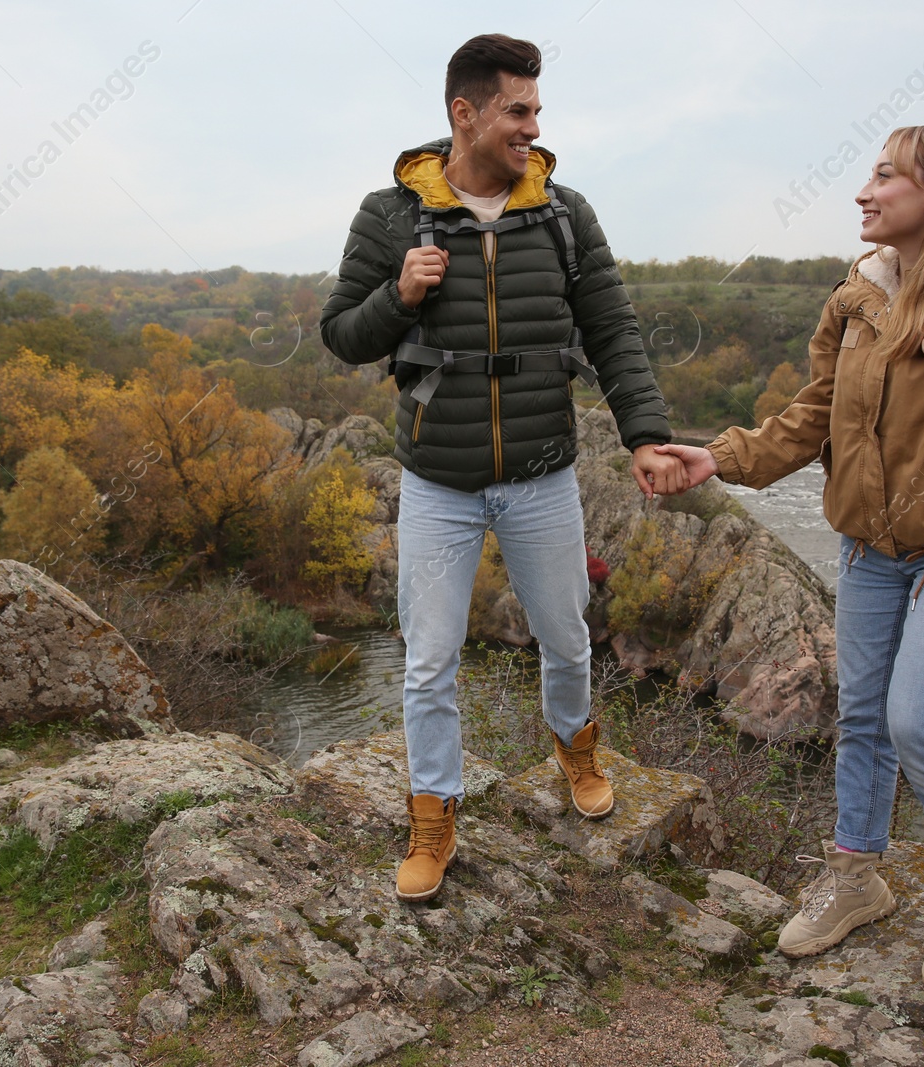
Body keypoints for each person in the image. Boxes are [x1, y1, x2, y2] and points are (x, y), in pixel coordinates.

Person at [656, 125, 924, 993]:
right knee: (860, 716)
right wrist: (723, 457)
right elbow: (815, 411)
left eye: (885, 176)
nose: (864, 190)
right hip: (869, 547)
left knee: (916, 718)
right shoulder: (859, 294)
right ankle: (857, 876)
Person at [319, 33, 685, 903]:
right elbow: (342, 335)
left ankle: (575, 747)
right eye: (517, 110)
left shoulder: (564, 212)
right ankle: (432, 819)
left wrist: (645, 434)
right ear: (466, 112)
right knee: (429, 659)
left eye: (535, 110)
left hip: (542, 470)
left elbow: (613, 332)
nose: (532, 126)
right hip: (436, 479)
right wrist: (397, 294)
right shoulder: (389, 215)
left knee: (566, 635)